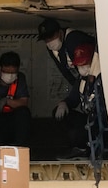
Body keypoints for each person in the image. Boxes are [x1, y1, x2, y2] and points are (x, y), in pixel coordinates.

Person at [37, 19, 97, 159]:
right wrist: (66, 101)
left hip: (97, 112)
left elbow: (85, 66)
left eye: (51, 37)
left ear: (60, 32)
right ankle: (80, 148)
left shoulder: (74, 39)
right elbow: (69, 73)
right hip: (83, 91)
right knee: (62, 112)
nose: (50, 41)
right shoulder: (53, 49)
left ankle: (86, 148)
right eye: (46, 39)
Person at [0, 51, 31, 147]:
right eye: (7, 72)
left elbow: (24, 102)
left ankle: (19, 146)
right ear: (0, 69)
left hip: (11, 119)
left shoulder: (20, 78)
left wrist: (6, 101)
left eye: (13, 72)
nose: (10, 75)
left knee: (24, 112)